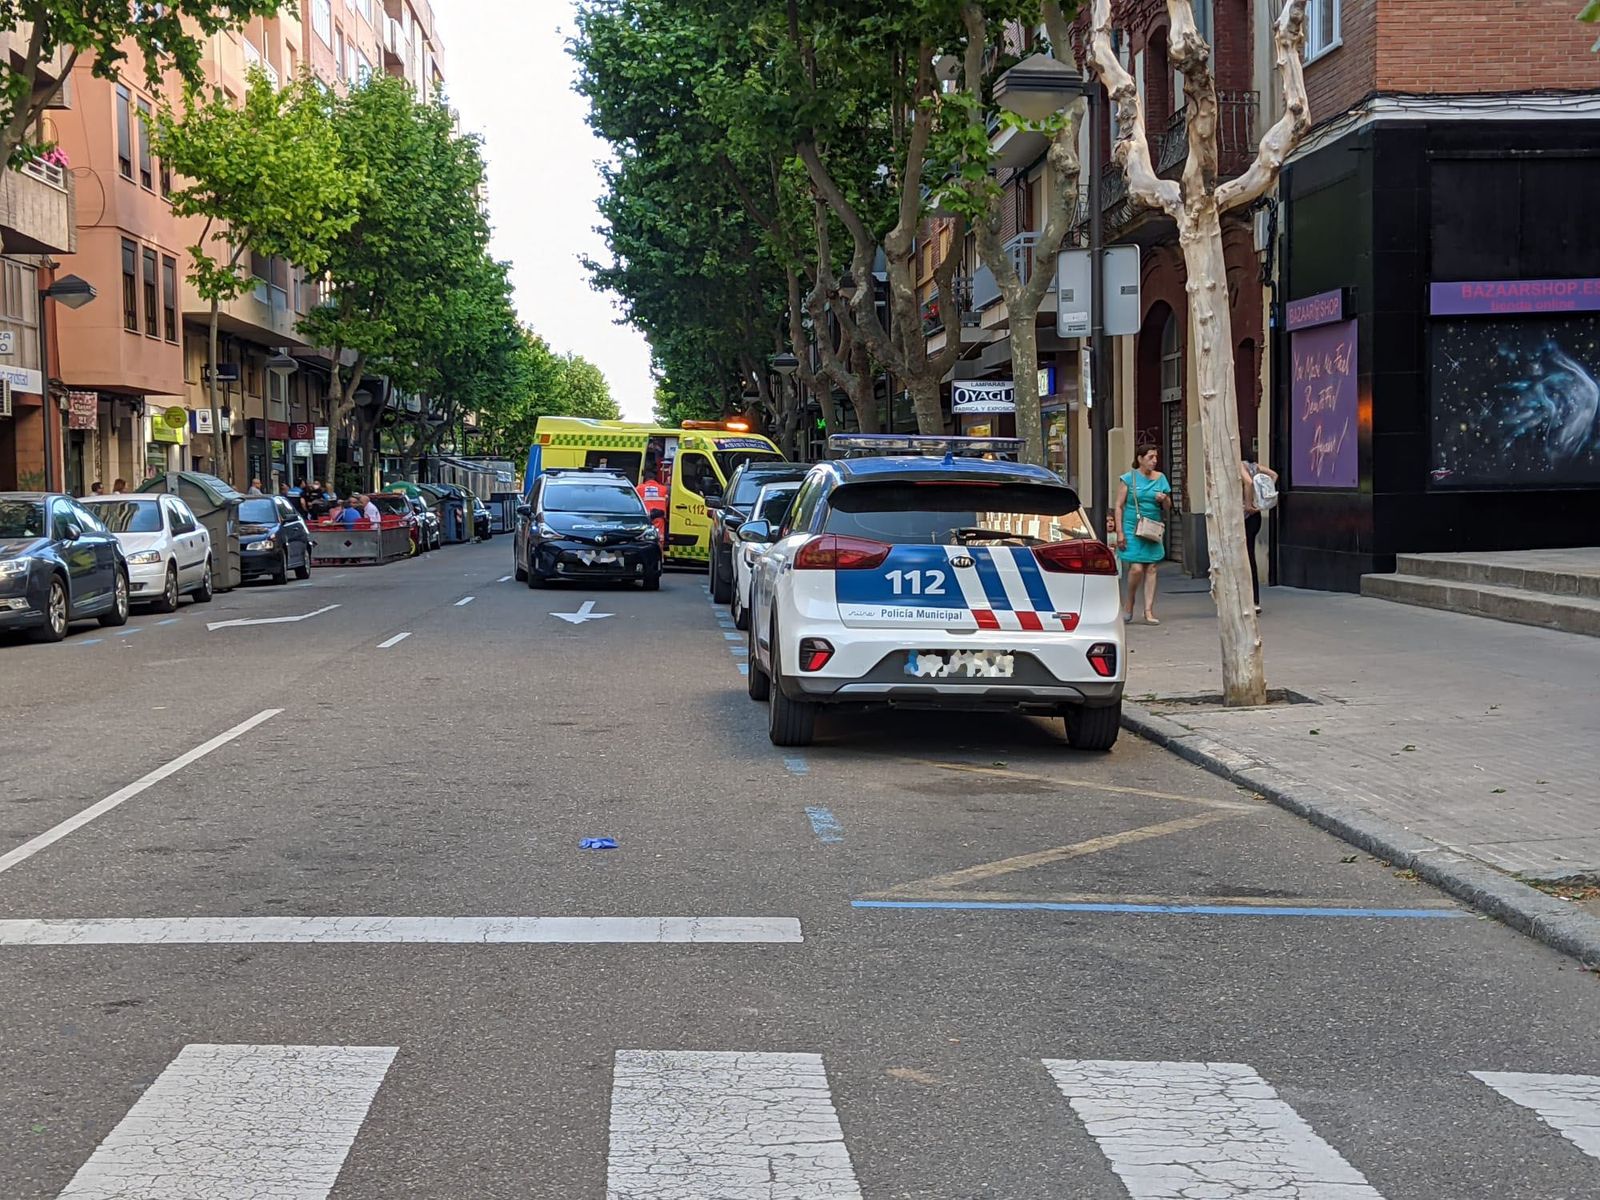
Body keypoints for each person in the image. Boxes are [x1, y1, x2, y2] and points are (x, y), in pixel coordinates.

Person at [1111, 444, 1172, 625]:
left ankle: (1148, 610)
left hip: (1152, 527)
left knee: (1152, 568)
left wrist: (1165, 499)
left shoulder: (1161, 478)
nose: (1154, 461)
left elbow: (1168, 507)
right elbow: (1118, 506)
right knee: (1136, 568)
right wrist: (1120, 532)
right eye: (1150, 457)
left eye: (1155, 457)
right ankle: (1129, 602)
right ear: (1140, 459)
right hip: (1132, 526)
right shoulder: (1129, 479)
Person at [1240, 457, 1279, 613]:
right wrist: (1263, 497)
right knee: (1250, 556)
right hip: (1255, 517)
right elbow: (1274, 475)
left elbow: (1248, 482)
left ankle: (1249, 599)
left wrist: (1248, 505)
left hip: (1245, 516)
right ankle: (1254, 599)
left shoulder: (1238, 465)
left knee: (1244, 558)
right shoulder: (1253, 466)